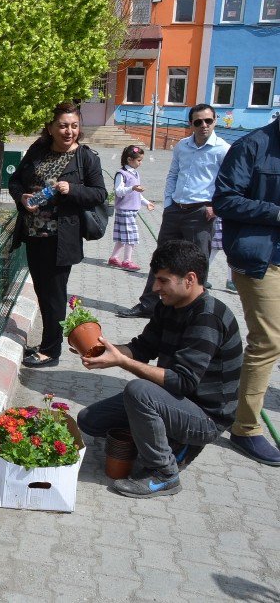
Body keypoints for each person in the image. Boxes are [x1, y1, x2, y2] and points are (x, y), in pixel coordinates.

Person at [77, 241, 243, 498]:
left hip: (206, 417)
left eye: (163, 281)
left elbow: (182, 382)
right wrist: (100, 350)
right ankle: (165, 441)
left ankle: (165, 474)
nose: (155, 288)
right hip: (176, 401)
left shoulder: (207, 317)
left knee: (139, 391)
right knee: (89, 419)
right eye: (156, 280)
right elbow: (142, 348)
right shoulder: (168, 306)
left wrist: (122, 362)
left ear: (190, 279)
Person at [8, 102, 107, 368]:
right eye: (63, 125)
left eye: (74, 126)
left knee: (54, 294)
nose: (69, 131)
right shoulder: (38, 150)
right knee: (43, 290)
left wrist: (71, 189)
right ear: (50, 128)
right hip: (33, 234)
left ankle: (51, 351)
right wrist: (22, 197)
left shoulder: (86, 157)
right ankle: (47, 343)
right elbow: (15, 181)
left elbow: (100, 194)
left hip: (61, 238)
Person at [118, 104, 230, 318]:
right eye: (198, 121)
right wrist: (168, 203)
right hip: (175, 210)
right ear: (191, 124)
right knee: (161, 258)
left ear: (215, 121)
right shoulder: (182, 146)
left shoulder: (223, 149)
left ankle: (193, 311)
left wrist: (216, 206)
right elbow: (173, 175)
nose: (203, 125)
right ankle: (148, 305)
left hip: (201, 213)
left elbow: (227, 182)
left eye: (208, 121)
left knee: (197, 264)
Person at [213, 117, 280, 466]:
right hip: (261, 260)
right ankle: (246, 428)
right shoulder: (251, 146)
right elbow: (224, 200)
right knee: (268, 340)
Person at [108, 145, 155, 272]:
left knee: (123, 236)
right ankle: (127, 261)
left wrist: (146, 203)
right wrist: (132, 188)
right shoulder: (122, 174)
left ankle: (114, 257)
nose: (140, 163)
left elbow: (137, 194)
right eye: (139, 160)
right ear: (129, 159)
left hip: (131, 210)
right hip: (125, 210)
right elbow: (119, 191)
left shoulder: (135, 173)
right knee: (131, 236)